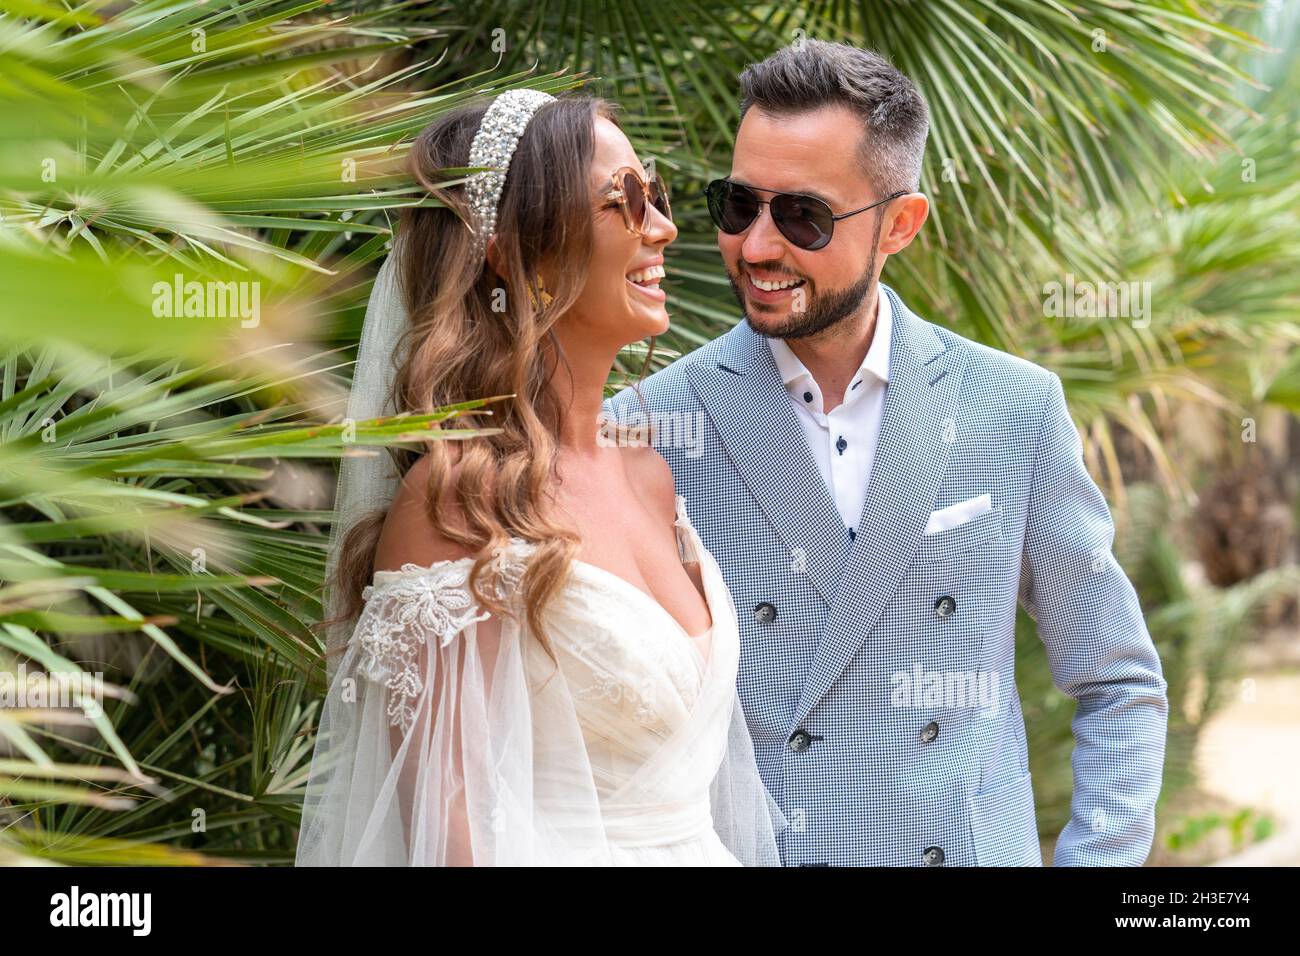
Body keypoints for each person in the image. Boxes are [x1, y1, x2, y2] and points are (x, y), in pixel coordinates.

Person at [604, 40, 1169, 866]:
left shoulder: (1013, 410)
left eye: (802, 216)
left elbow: (1118, 681)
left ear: (900, 224)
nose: (756, 247)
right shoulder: (649, 426)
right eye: (737, 205)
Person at [295, 90, 787, 866]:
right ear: (511, 249)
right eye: (621, 201)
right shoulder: (459, 501)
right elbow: (450, 837)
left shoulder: (649, 475)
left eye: (652, 194)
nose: (661, 226)